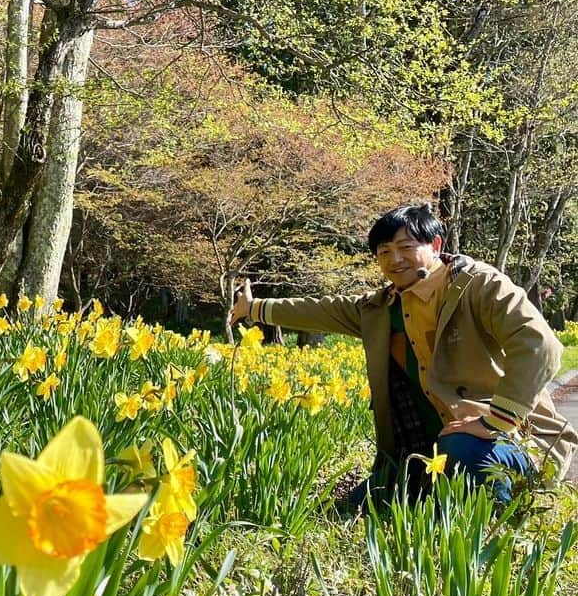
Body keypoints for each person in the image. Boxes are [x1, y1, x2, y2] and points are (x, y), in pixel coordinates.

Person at [229, 203, 577, 506]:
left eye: (405, 246)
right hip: (425, 452)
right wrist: (254, 308)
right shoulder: (381, 307)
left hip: (510, 441)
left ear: (436, 245)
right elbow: (321, 310)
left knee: (462, 449)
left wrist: (499, 419)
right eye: (383, 251)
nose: (394, 259)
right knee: (363, 503)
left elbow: (539, 344)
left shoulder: (479, 285)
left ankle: (500, 519)